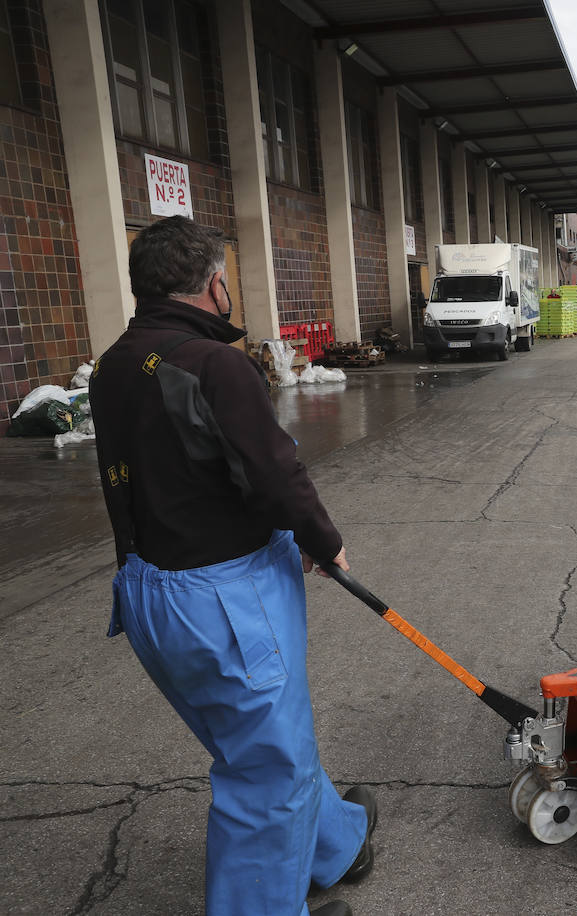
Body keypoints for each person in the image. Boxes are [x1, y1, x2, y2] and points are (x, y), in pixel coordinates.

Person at [88, 216, 372, 916]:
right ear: (215, 284)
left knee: (262, 742)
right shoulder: (214, 364)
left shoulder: (113, 365)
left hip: (148, 590)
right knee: (267, 769)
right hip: (225, 599)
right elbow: (273, 474)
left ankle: (334, 846)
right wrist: (322, 539)